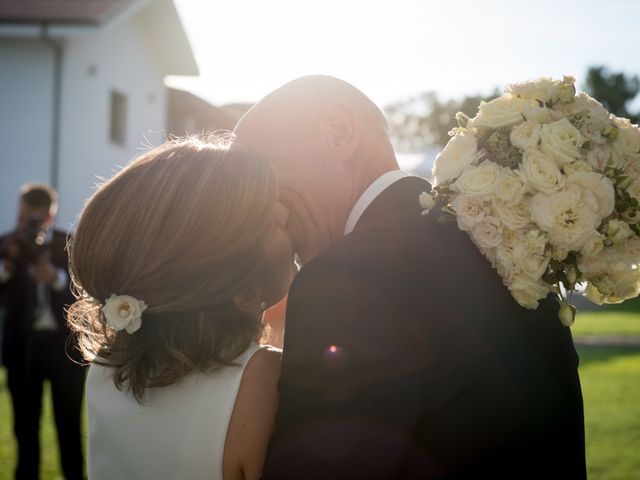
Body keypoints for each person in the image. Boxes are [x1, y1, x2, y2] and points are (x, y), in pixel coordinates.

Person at [233, 75, 586, 479]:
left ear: (338, 133)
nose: (259, 205)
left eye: (258, 174)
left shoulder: (344, 282)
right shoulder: (506, 246)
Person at [66, 135, 296, 480]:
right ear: (234, 277)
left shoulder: (109, 367)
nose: (288, 218)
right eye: (274, 221)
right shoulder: (261, 375)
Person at [0, 182, 85, 480]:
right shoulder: (6, 244)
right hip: (21, 350)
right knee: (24, 430)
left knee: (69, 429)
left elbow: (88, 298)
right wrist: (7, 265)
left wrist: (57, 280)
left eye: (32, 220)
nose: (24, 225)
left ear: (49, 216)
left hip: (66, 353)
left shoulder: (70, 244)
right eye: (21, 218)